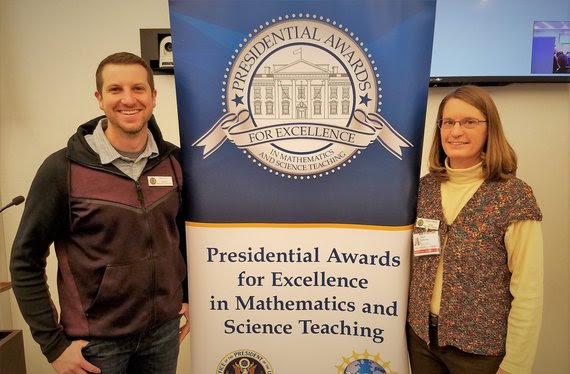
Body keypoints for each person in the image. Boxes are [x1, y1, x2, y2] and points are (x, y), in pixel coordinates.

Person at [10, 52, 189, 374]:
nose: (128, 99)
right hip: (97, 345)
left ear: (153, 96)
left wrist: (186, 294)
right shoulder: (62, 170)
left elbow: (182, 235)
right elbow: (25, 260)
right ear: (99, 98)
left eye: (138, 88)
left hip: (163, 334)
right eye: (115, 89)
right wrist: (53, 346)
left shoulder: (173, 162)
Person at [407, 86, 543, 374]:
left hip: (481, 354)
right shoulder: (423, 188)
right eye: (448, 122)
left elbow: (528, 288)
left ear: (489, 129)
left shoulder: (513, 196)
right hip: (422, 343)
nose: (456, 131)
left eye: (469, 122)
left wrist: (516, 364)